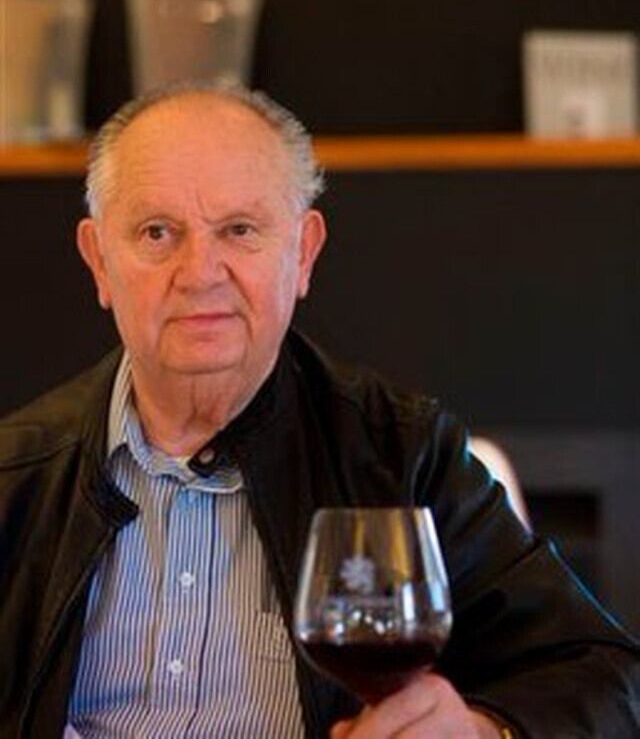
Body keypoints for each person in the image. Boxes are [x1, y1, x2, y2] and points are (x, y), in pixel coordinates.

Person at [0, 83, 638, 739]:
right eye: (157, 232)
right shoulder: (14, 474)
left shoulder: (401, 456)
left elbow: (603, 675)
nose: (200, 272)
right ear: (99, 262)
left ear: (303, 253)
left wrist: (480, 731)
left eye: (239, 230)